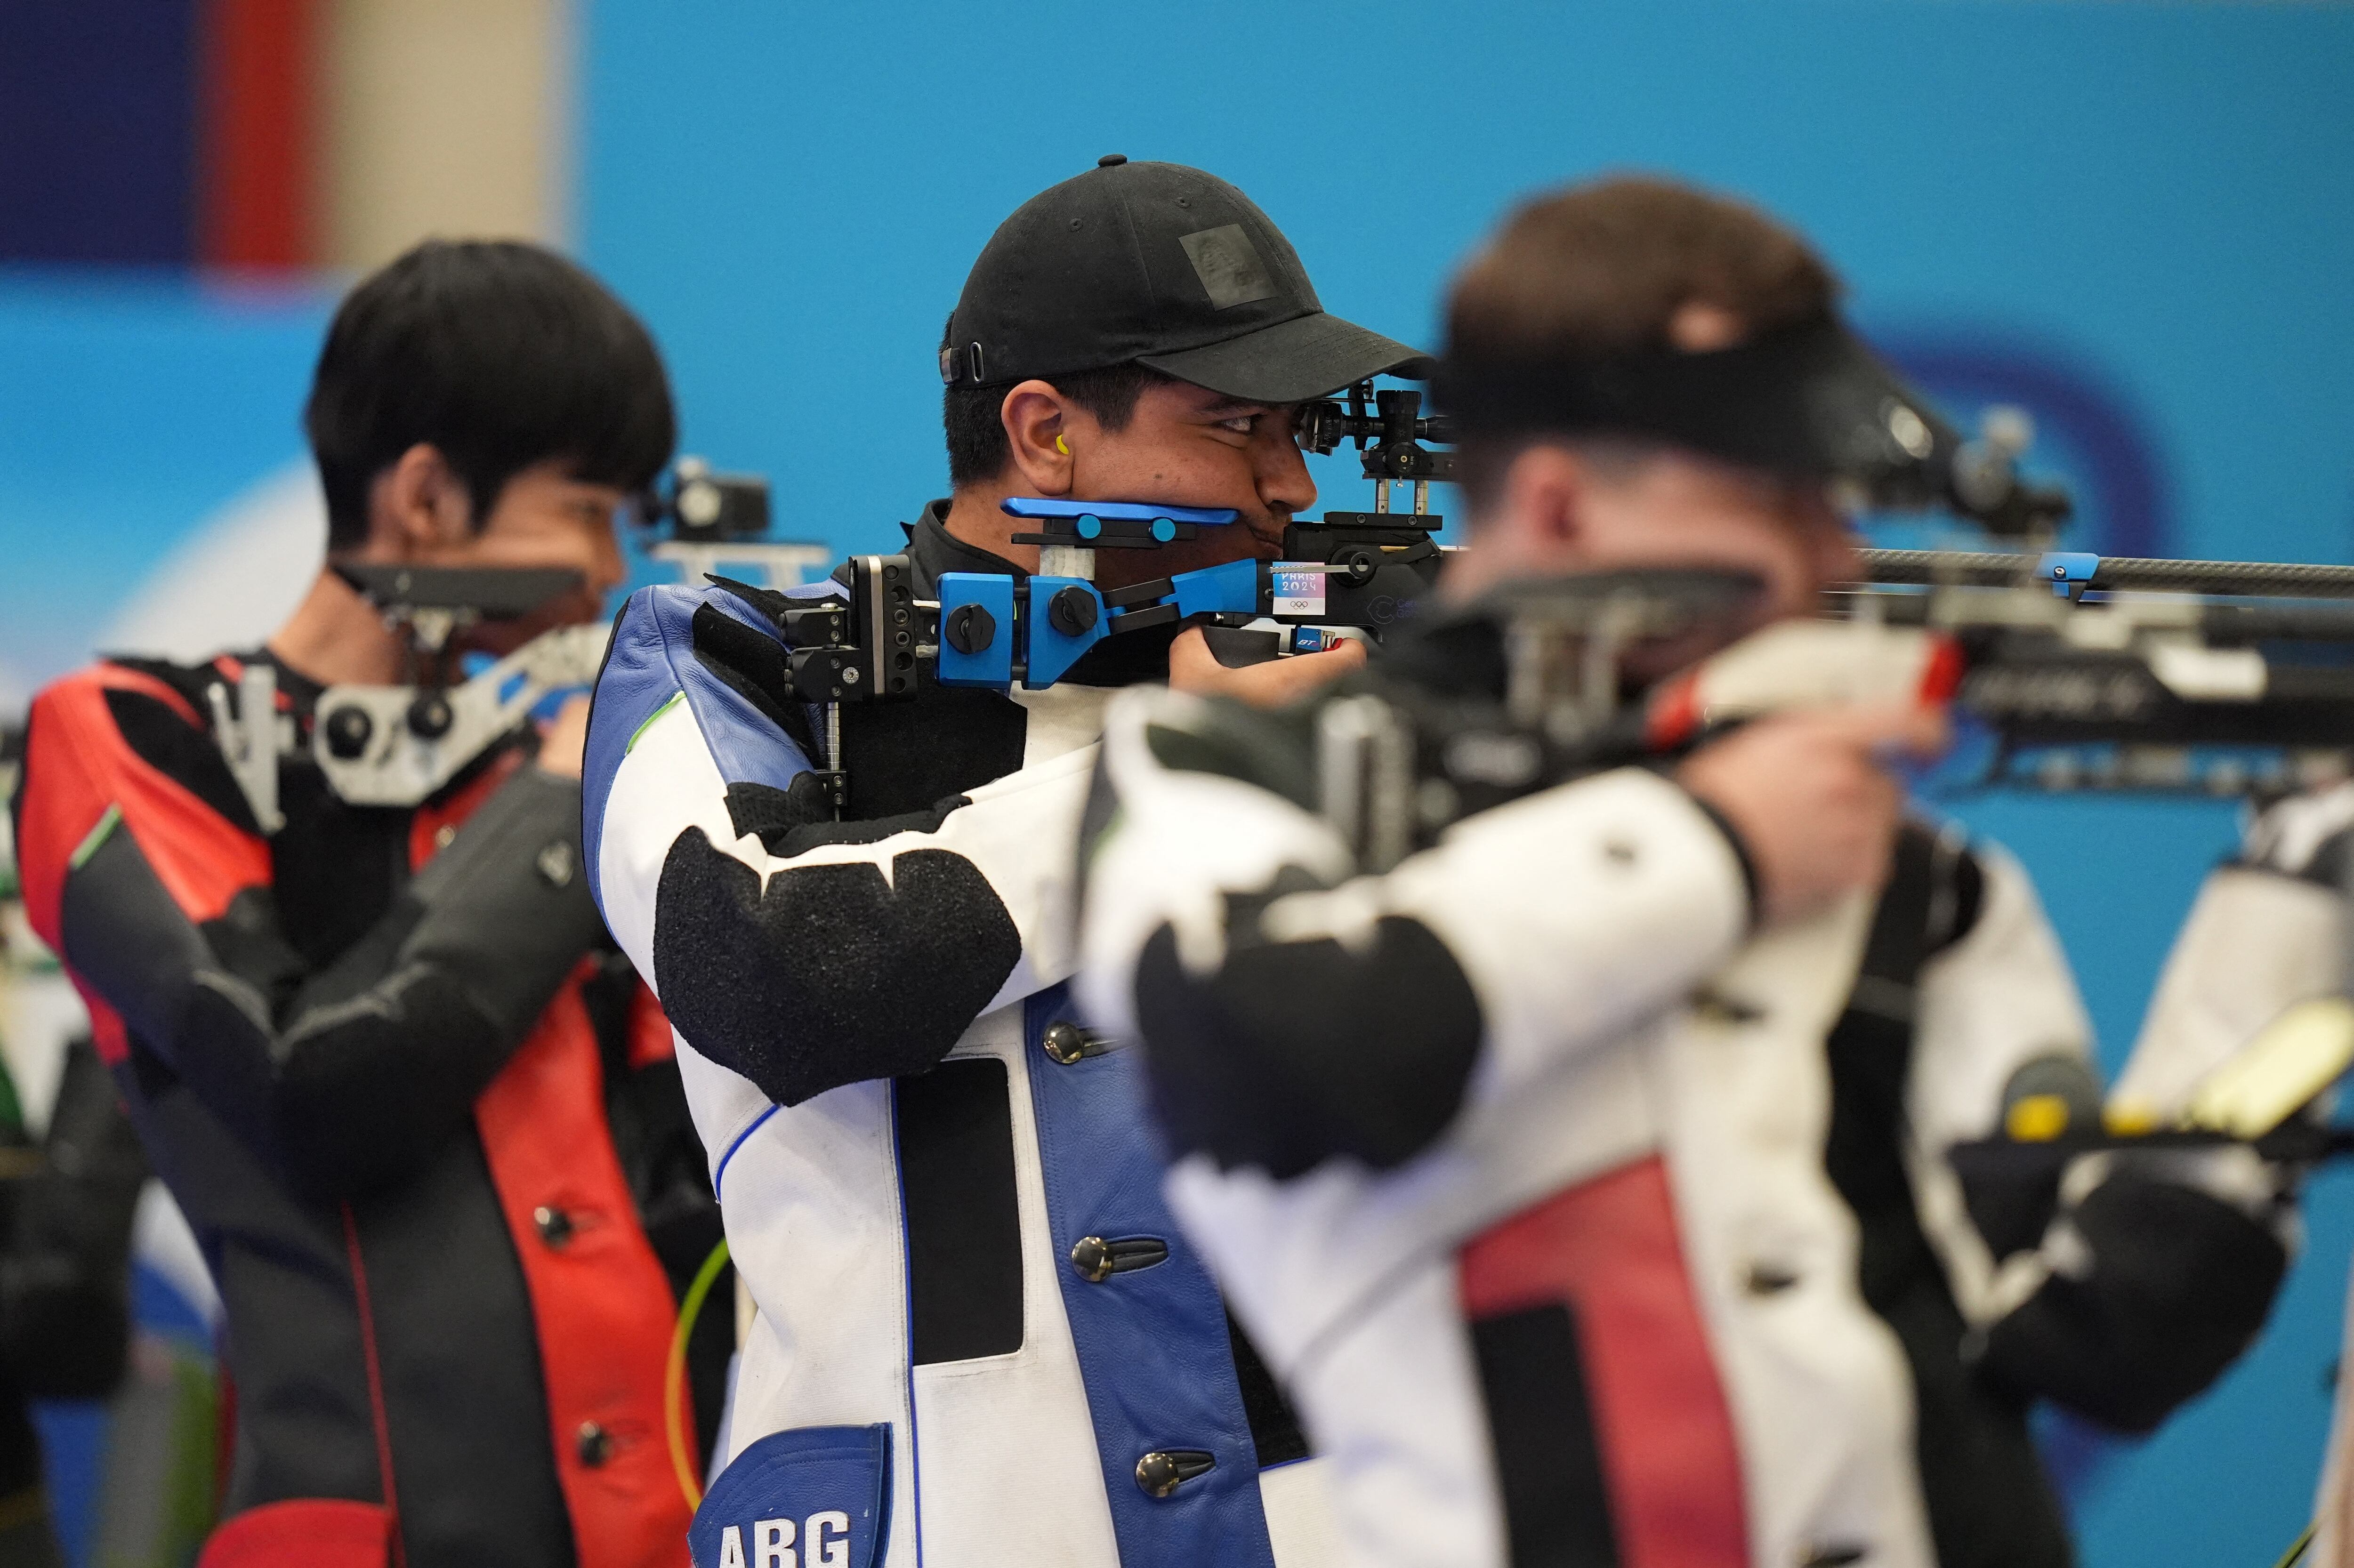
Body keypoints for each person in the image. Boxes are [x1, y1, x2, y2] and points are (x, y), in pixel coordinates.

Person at [1072, 177, 2291, 1568]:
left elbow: (2106, 1337)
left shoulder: (1891, 867)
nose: (1834, 557)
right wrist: (1713, 843)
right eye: (1780, 497)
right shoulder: (1242, 775)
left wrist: (2293, 920)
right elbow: (1261, 1054)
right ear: (1563, 509)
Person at [584, 156, 1411, 1567]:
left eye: (1303, 433)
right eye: (1238, 429)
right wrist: (1186, 771)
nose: (1292, 485)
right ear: (1044, 434)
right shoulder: (732, 663)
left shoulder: (1344, 684)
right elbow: (775, 968)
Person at [10, 240, 726, 1568]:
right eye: (581, 510)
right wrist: (563, 801)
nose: (601, 571)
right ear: (427, 498)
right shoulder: (131, 735)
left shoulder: (556, 773)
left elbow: (701, 1191)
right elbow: (306, 1088)